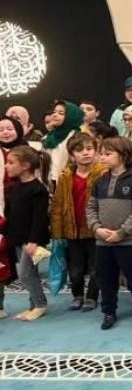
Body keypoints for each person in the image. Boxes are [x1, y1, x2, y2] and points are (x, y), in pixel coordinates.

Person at [87, 137, 132, 330]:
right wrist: (97, 228)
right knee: (106, 279)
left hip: (129, 242)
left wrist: (121, 232)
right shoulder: (99, 181)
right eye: (101, 154)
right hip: (103, 242)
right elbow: (91, 208)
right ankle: (109, 312)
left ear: (123, 156)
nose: (102, 157)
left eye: (107, 154)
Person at [51, 133, 105, 312]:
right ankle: (77, 295)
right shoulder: (65, 176)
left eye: (89, 149)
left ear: (96, 152)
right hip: (71, 231)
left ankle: (92, 296)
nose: (85, 153)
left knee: (96, 268)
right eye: (80, 150)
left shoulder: (103, 174)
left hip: (95, 230)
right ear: (72, 155)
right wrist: (57, 233)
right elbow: (58, 205)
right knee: (75, 269)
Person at [3, 146, 50, 321]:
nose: (6, 166)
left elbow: (40, 218)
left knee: (25, 274)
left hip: (31, 240)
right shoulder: (13, 188)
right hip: (18, 237)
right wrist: (5, 233)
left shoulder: (37, 190)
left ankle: (40, 304)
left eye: (11, 162)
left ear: (25, 165)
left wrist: (33, 241)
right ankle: (33, 305)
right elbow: (10, 214)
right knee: (30, 273)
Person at [43, 100, 83, 182]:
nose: (54, 115)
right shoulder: (49, 136)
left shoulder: (76, 137)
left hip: (66, 182)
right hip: (47, 180)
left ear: (71, 116)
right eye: (54, 112)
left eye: (61, 113)